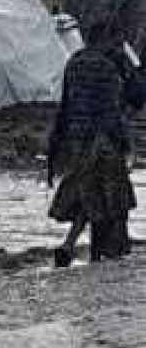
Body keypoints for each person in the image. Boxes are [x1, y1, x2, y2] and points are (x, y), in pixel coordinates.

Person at [48, 22, 137, 268]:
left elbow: (64, 107)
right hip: (105, 140)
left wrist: (54, 148)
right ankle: (96, 253)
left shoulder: (74, 62)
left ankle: (73, 247)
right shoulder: (112, 65)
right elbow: (135, 97)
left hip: (76, 140)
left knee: (90, 196)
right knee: (112, 200)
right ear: (107, 40)